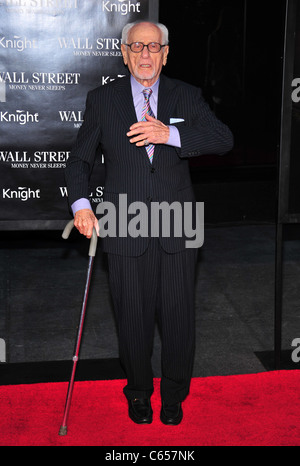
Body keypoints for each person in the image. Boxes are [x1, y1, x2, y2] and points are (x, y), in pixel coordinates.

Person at [64, 20, 233, 425]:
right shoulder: (102, 100)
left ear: (166, 54)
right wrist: (82, 205)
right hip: (124, 220)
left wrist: (170, 136)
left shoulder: (186, 96)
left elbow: (223, 139)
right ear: (124, 53)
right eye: (136, 46)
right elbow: (80, 161)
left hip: (179, 220)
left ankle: (174, 395)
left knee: (178, 316)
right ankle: (138, 392)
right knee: (133, 315)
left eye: (154, 47)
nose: (145, 55)